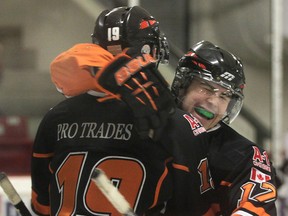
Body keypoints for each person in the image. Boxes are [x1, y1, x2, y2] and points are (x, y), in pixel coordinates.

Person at [30, 6, 208, 216]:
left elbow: (41, 206)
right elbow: (193, 206)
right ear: (148, 52)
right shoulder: (174, 121)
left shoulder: (56, 117)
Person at [162, 40, 277, 215]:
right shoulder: (147, 129)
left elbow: (255, 209)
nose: (213, 101)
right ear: (182, 86)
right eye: (205, 88)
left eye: (224, 96)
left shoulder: (245, 155)